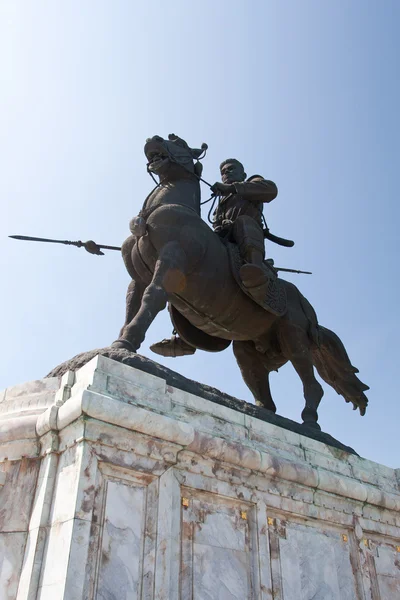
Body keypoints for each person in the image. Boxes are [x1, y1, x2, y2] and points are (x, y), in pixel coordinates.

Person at [150, 158, 278, 358]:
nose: (227, 173)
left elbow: (271, 190)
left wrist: (233, 188)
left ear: (243, 174)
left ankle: (256, 270)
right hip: (223, 242)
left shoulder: (252, 183)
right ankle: (185, 338)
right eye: (224, 171)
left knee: (244, 222)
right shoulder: (221, 203)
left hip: (244, 242)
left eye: (232, 169)